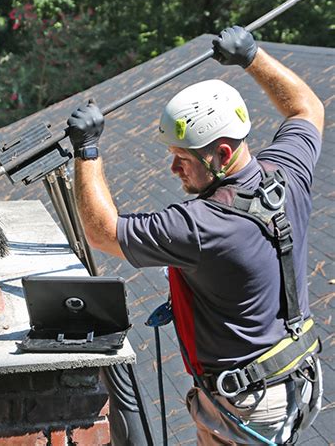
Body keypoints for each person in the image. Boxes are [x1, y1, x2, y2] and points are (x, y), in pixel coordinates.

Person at [67, 26, 324, 445]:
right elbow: (306, 109)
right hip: (293, 378)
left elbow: (101, 232)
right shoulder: (287, 174)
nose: (173, 170)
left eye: (182, 158)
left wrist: (87, 151)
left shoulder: (201, 225)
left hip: (247, 405)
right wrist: (252, 56)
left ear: (222, 154)